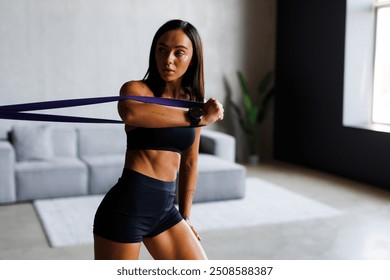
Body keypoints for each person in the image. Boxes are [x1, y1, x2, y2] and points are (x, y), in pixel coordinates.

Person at [93, 19, 224, 260]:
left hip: (165, 210)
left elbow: (190, 162)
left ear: (193, 58)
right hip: (127, 207)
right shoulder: (136, 90)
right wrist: (199, 117)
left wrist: (185, 218)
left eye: (179, 53)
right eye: (162, 50)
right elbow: (131, 113)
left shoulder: (192, 103)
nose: (168, 60)